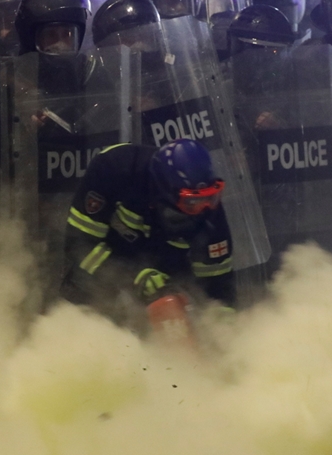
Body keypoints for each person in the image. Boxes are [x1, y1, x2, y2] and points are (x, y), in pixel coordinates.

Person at [60, 138, 236, 323]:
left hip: (167, 288)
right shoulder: (113, 168)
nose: (204, 209)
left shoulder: (209, 208)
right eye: (192, 202)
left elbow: (218, 283)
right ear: (164, 191)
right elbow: (78, 245)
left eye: (212, 197)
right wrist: (132, 279)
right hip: (99, 280)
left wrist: (223, 327)